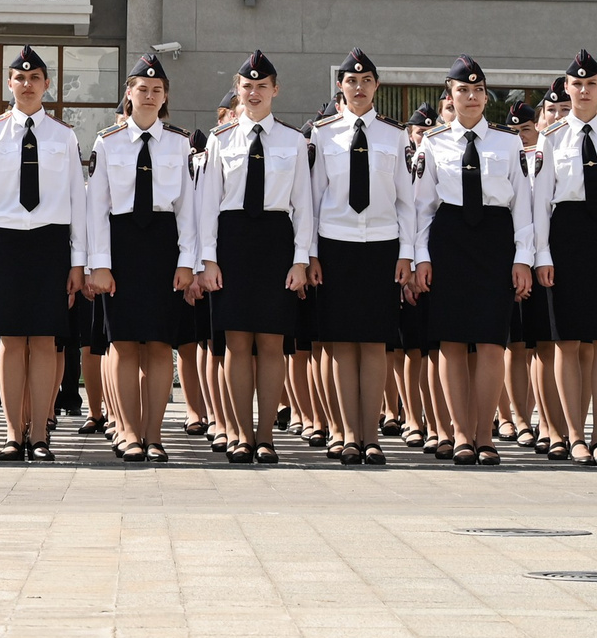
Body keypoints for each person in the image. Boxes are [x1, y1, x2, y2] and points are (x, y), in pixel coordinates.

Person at [412, 54, 537, 465]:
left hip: (495, 242)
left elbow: (523, 207)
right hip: (449, 242)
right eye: (462, 90)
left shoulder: (507, 142)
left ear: (487, 97)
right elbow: (423, 208)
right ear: (450, 94)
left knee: (490, 341)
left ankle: (486, 435)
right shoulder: (433, 143)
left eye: (478, 90)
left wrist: (523, 259)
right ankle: (460, 433)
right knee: (450, 341)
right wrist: (421, 257)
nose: (470, 97)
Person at [0, 48, 87, 463]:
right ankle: (13, 433)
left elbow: (78, 200)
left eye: (35, 77)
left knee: (45, 341)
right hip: (6, 243)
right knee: (10, 341)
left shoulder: (63, 135)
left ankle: (40, 432)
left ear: (47, 84)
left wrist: (78, 261)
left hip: (50, 244)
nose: (27, 84)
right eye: (20, 78)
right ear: (9, 84)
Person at [195, 52, 315, 465]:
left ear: (275, 90)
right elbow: (208, 204)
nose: (255, 92)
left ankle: (266, 435)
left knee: (271, 342)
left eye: (263, 86)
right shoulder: (220, 139)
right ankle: (240, 434)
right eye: (248, 86)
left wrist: (301, 260)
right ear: (238, 90)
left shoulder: (292, 140)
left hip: (275, 242)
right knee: (236, 343)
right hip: (232, 243)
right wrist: (207, 260)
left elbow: (304, 206)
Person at [82, 53, 197, 463]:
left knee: (160, 345)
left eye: (157, 90)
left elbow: (188, 208)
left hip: (164, 247)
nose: (149, 95)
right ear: (128, 94)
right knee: (125, 344)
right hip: (122, 245)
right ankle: (128, 430)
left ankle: (154, 433)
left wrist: (188, 260)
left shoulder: (180, 142)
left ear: (165, 97)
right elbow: (95, 207)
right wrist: (99, 263)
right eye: (142, 89)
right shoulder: (107, 143)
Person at [309, 49, 414, 466]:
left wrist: (407, 253)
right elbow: (312, 200)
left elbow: (407, 201)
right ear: (341, 87)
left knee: (374, 344)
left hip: (382, 245)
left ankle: (371, 435)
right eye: (351, 81)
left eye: (366, 80)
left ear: (376, 86)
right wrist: (312, 254)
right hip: (336, 244)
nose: (358, 87)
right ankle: (348, 433)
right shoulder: (323, 134)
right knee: (340, 345)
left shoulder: (395, 135)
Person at [537, 51, 597, 466]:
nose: (584, 90)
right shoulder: (553, 137)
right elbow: (540, 202)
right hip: (569, 236)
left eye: (592, 84)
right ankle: (575, 434)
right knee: (568, 340)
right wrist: (541, 255)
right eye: (578, 84)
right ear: (567, 86)